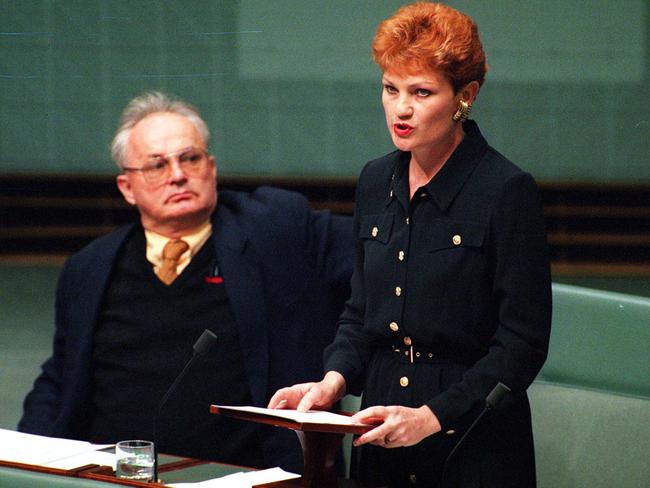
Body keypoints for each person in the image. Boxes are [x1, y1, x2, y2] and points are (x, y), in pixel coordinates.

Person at [268, 2, 552, 486]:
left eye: (421, 92)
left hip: (470, 435)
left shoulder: (504, 190)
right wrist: (331, 382)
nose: (401, 109)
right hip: (381, 425)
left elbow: (522, 345)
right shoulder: (376, 180)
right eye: (390, 89)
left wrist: (431, 417)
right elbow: (360, 314)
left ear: (466, 96)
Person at [18, 91, 353, 473]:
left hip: (246, 477)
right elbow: (61, 379)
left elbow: (383, 251)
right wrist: (29, 461)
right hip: (115, 477)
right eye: (156, 165)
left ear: (210, 167)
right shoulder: (89, 268)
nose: (177, 175)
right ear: (127, 187)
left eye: (189, 158)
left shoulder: (277, 230)